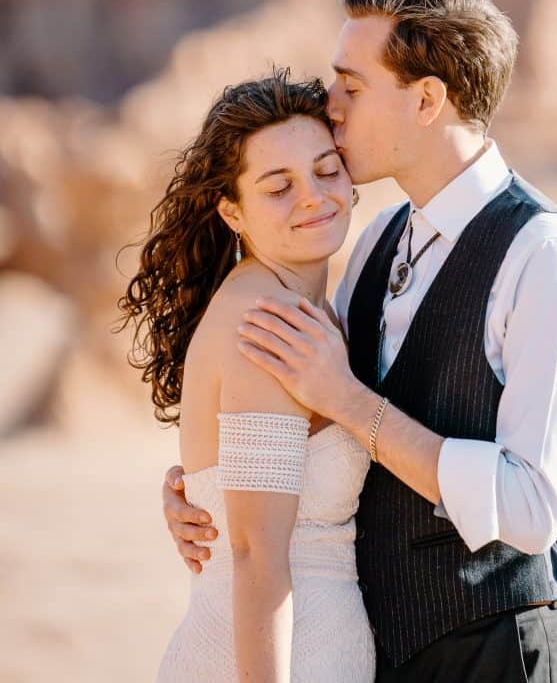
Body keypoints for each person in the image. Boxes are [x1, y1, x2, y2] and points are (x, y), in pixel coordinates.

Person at [163, 0, 557, 682]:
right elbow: (298, 430)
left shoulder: (546, 256)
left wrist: (350, 402)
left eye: (350, 84)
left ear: (427, 100)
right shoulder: (374, 241)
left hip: (497, 654)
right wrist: (208, 492)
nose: (330, 104)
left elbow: (530, 508)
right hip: (381, 650)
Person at [120, 69, 376, 682]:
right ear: (233, 212)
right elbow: (255, 555)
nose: (313, 197)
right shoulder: (268, 320)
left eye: (325, 170)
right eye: (277, 187)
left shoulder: (306, 306)